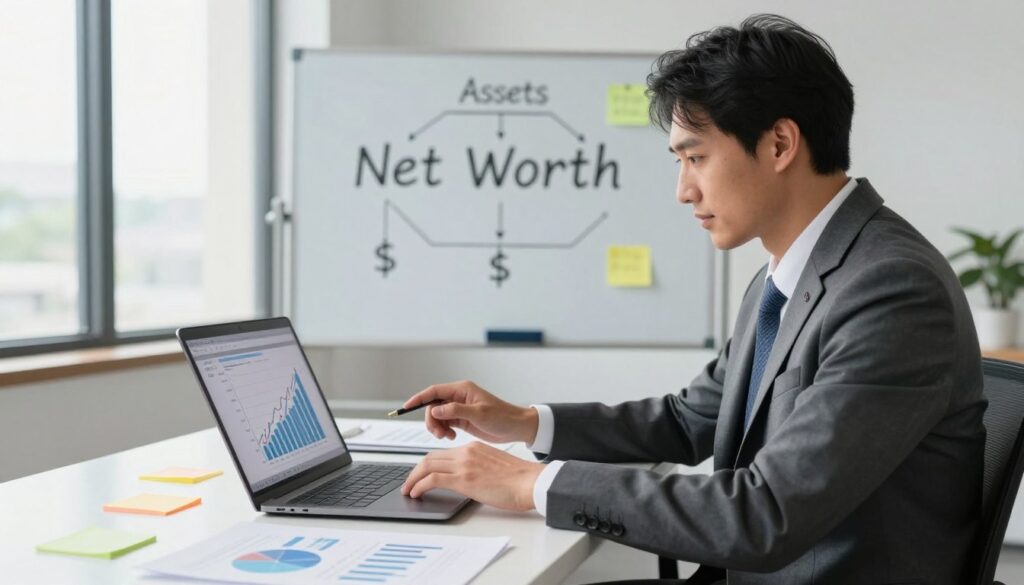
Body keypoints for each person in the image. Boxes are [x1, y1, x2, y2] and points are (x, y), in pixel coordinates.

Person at [399, 14, 986, 584]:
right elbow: (691, 419)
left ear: (780, 143)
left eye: (696, 157)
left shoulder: (892, 290)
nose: (684, 191)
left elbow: (765, 516)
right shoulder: (787, 275)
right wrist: (525, 424)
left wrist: (533, 485)